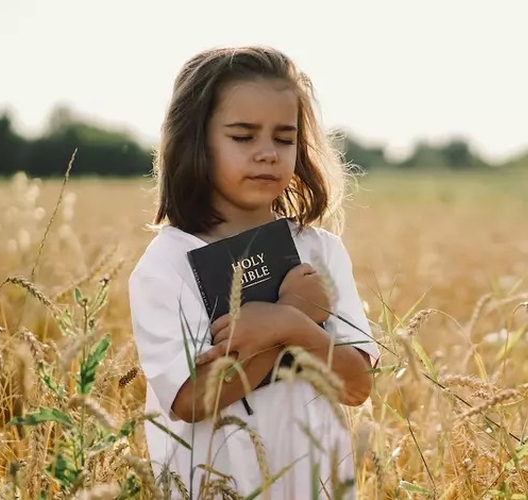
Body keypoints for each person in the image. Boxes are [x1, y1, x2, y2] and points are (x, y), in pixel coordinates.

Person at [127, 45, 379, 499]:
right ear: (195, 141)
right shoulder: (167, 264)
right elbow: (190, 401)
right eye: (243, 137)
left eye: (284, 138)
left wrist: (291, 326)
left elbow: (357, 385)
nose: (267, 153)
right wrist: (287, 315)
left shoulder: (320, 251)